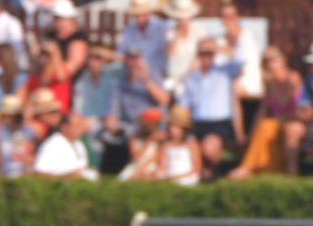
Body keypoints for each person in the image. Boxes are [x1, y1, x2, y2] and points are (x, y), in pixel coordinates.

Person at [229, 47, 305, 178]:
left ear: (283, 60)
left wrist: (276, 85)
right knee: (264, 126)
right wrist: (251, 133)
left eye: (274, 59)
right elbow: (262, 111)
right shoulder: (269, 83)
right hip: (276, 124)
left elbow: (287, 104)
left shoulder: (293, 78)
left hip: (293, 122)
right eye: (267, 60)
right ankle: (254, 167)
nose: (271, 63)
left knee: (267, 126)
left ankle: (247, 167)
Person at [178, 37, 242, 178]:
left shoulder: (225, 72)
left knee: (209, 149)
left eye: (209, 53)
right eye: (203, 53)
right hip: (197, 123)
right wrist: (176, 127)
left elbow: (240, 62)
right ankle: (205, 173)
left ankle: (215, 171)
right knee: (184, 143)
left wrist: (220, 49)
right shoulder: (191, 78)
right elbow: (183, 105)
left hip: (219, 123)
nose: (206, 56)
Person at [102, 49, 170, 174]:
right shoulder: (121, 84)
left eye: (136, 59)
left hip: (152, 125)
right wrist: (111, 119)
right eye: (130, 59)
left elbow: (165, 100)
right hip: (132, 127)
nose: (133, 63)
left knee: (145, 135)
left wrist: (145, 80)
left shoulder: (152, 75)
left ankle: (143, 169)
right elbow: (113, 109)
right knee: (105, 132)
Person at [32, 110, 96, 180]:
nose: (80, 129)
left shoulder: (79, 144)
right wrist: (67, 177)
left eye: (81, 125)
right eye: (77, 125)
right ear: (64, 127)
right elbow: (39, 173)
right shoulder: (53, 145)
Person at [117, 0, 168, 78]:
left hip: (158, 74)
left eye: (142, 14)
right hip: (136, 74)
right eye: (136, 14)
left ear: (148, 13)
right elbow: (120, 53)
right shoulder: (129, 29)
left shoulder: (161, 27)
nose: (139, 17)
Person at [0, 94, 36, 178]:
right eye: (6, 115)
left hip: (23, 176)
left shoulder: (28, 131)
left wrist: (25, 159)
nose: (8, 119)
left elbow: (32, 157)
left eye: (12, 116)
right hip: (5, 175)